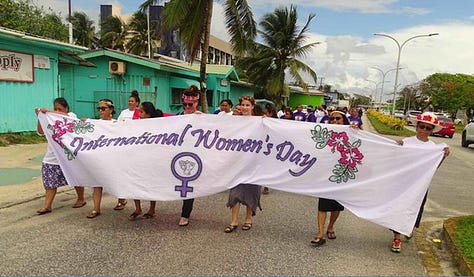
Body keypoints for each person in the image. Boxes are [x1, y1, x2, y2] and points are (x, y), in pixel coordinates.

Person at [390, 112, 450, 253]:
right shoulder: (407, 142)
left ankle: (408, 228)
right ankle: (397, 237)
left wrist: (443, 156)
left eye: (428, 128)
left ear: (431, 130)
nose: (424, 130)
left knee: (415, 209)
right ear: (417, 127)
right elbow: (395, 161)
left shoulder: (433, 147)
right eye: (422, 126)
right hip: (403, 183)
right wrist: (396, 148)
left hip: (420, 185)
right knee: (399, 208)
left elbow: (433, 167)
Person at [35, 98, 86, 214]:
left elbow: (65, 116)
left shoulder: (71, 116)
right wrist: (40, 117)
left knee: (76, 178)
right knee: (50, 183)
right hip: (52, 157)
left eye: (60, 109)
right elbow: (41, 132)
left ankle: (81, 198)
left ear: (66, 109)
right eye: (55, 108)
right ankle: (47, 206)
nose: (57, 111)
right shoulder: (50, 119)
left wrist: (48, 112)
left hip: (68, 156)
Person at [224, 96, 262, 233]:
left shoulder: (260, 122)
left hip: (253, 163)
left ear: (252, 107)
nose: (245, 107)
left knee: (251, 192)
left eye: (247, 105)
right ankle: (233, 221)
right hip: (237, 163)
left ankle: (248, 219)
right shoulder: (234, 122)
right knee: (235, 193)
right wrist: (199, 116)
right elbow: (217, 124)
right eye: (243, 105)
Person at [311, 109, 349, 246]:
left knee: (336, 207)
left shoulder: (352, 134)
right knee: (323, 205)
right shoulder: (325, 134)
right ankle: (320, 233)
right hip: (326, 175)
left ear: (344, 120)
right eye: (332, 119)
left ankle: (331, 226)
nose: (334, 121)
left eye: (338, 118)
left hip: (341, 174)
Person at [129, 102, 163, 220]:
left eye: (142, 112)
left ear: (148, 114)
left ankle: (152, 209)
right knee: (134, 182)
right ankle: (137, 208)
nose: (139, 114)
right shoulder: (136, 125)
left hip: (151, 160)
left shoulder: (157, 127)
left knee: (151, 185)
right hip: (137, 159)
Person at [86, 99, 116, 218]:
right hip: (100, 158)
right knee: (96, 183)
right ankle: (96, 208)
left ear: (111, 109)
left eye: (103, 108)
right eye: (99, 108)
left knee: (117, 180)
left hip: (113, 158)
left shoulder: (117, 123)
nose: (100, 111)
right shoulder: (95, 124)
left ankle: (122, 199)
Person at [177, 85, 202, 226]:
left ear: (196, 103)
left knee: (188, 184)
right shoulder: (178, 117)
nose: (187, 106)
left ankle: (185, 214)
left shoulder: (202, 118)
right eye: (185, 104)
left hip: (194, 156)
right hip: (178, 154)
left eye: (190, 104)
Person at [114, 90, 141, 210]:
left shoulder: (140, 113)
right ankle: (121, 199)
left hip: (136, 148)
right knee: (121, 173)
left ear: (137, 103)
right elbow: (117, 125)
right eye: (129, 101)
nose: (130, 103)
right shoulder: (123, 113)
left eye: (132, 101)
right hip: (124, 146)